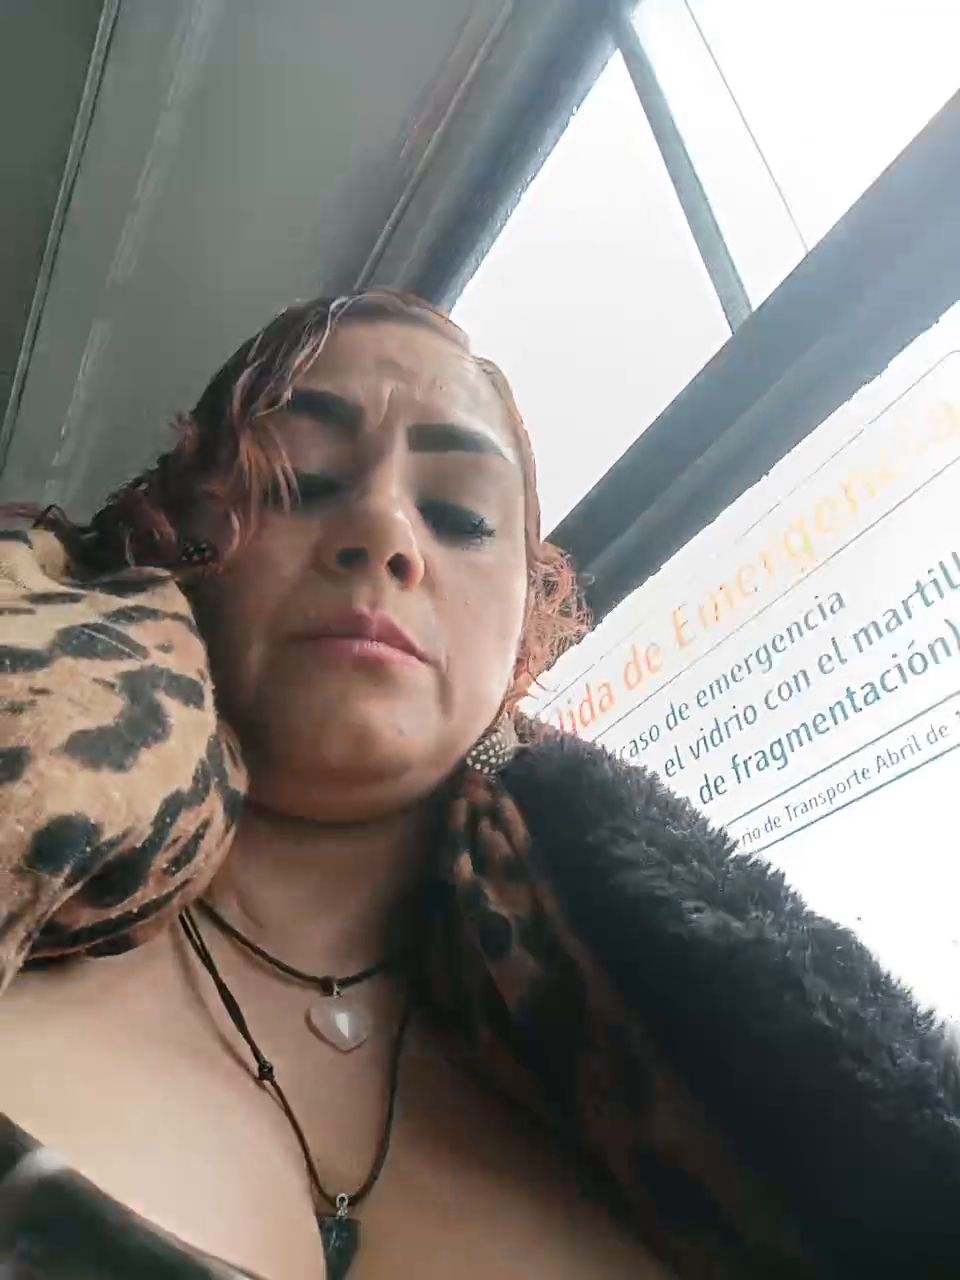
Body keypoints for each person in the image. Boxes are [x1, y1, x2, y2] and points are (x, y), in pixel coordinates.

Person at [0, 290, 957, 1280]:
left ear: (521, 631)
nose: (384, 527)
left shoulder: (686, 1077)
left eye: (460, 515)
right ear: (172, 535)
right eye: (305, 479)